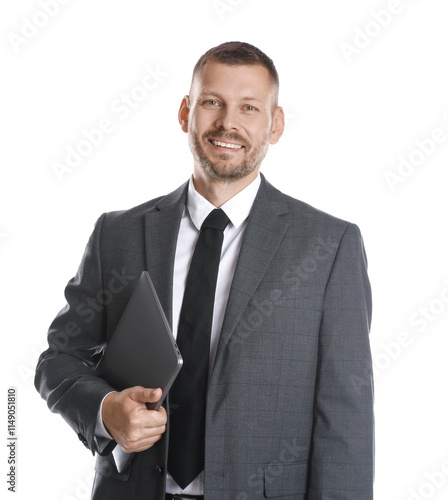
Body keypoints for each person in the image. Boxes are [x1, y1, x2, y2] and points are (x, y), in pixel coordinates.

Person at [35, 41, 374, 500]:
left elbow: (346, 419)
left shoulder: (329, 246)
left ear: (275, 124)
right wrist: (104, 410)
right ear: (185, 113)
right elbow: (58, 359)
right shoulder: (117, 234)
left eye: (249, 107)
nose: (227, 123)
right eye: (212, 102)